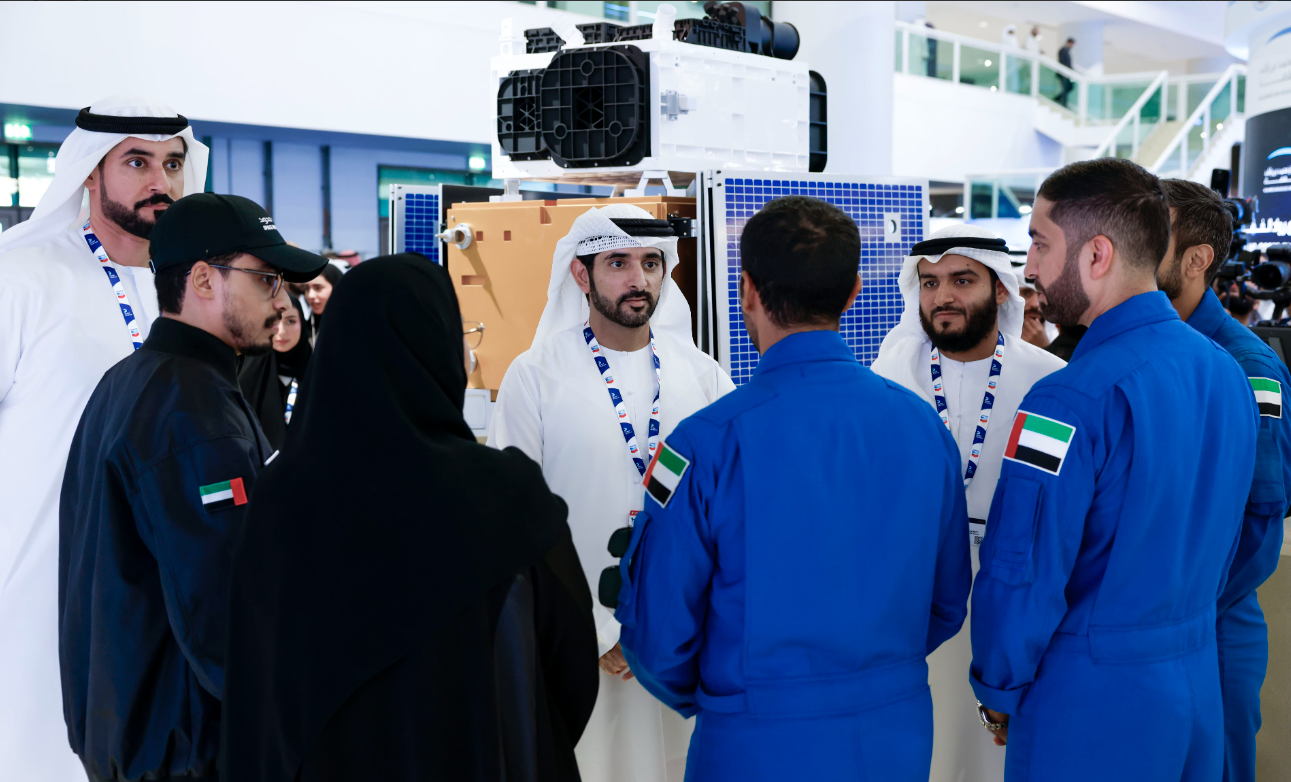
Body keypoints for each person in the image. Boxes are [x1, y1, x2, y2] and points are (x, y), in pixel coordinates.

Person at [614, 195, 972, 781]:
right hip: (894, 736)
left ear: (747, 290)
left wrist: (730, 700)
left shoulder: (702, 444)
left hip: (754, 740)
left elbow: (657, 636)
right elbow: (947, 599)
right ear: (854, 293)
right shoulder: (922, 427)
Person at [220, 255, 599, 782]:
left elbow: (251, 682)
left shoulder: (280, 500)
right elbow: (569, 664)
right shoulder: (506, 494)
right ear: (438, 345)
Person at [971, 158, 1260, 782]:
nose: (1029, 269)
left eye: (1040, 244)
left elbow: (1022, 570)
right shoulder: (1225, 375)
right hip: (1194, 688)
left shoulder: (1063, 403)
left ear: (1096, 255)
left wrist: (997, 687)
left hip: (1090, 705)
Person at [59, 193, 328, 782]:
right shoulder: (194, 414)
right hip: (186, 750)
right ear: (204, 279)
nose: (281, 301)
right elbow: (225, 612)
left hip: (128, 734)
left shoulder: (129, 381)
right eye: (266, 279)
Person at [0, 94, 208, 781]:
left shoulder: (194, 287)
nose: (163, 183)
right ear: (90, 172)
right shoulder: (23, 277)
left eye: (174, 163)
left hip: (164, 577)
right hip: (38, 578)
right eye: (139, 162)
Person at [488, 204, 734, 782]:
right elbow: (516, 519)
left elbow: (728, 513)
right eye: (618, 262)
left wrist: (666, 625)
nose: (638, 279)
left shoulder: (703, 375)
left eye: (651, 263)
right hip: (577, 642)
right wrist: (600, 633)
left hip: (684, 637)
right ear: (581, 275)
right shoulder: (535, 376)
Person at [870, 224, 1063, 782]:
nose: (942, 297)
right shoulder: (891, 374)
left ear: (1001, 289)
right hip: (913, 593)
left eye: (961, 280)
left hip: (1007, 595)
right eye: (928, 283)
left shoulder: (1049, 380)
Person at [1160, 178, 1291, 782]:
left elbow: (1260, 521)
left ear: (1198, 259)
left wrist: (1176, 607)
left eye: (1148, 237)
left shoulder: (1248, 367)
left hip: (1210, 624)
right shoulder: (1128, 353)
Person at [239, 294, 311, 451]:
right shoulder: (249, 373)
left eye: (290, 321)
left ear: (302, 324)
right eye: (274, 322)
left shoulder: (318, 373)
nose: (282, 332)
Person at [300, 261, 343, 345]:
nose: (310, 295)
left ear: (336, 288)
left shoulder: (356, 327)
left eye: (318, 288)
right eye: (306, 289)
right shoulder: (306, 329)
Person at [1056, 38, 1075, 108]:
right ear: (1068, 43)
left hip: (1067, 74)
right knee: (1065, 88)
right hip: (1063, 73)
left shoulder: (1067, 51)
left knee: (1070, 87)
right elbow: (1062, 62)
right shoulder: (1062, 50)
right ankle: (1063, 104)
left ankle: (1058, 99)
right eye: (1071, 44)